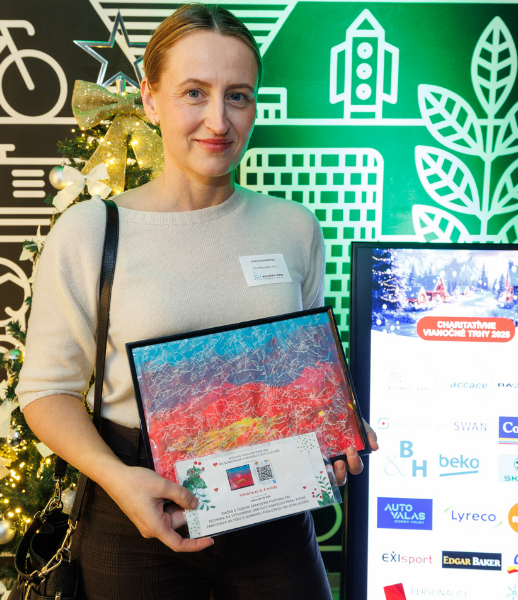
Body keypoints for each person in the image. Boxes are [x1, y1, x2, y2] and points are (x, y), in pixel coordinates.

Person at [16, 4, 378, 599]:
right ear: (151, 99)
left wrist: (333, 424)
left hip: (273, 513)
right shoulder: (91, 230)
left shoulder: (293, 226)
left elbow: (305, 366)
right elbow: (46, 391)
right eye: (194, 92)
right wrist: (119, 480)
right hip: (135, 509)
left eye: (238, 96)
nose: (218, 120)